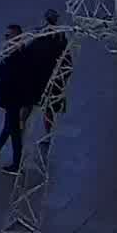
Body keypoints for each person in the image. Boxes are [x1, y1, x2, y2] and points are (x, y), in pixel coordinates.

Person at [0, 23, 34, 175]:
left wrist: (25, 104)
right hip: (11, 100)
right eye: (5, 35)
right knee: (9, 126)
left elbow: (23, 81)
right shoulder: (12, 51)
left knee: (14, 131)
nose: (5, 38)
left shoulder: (21, 54)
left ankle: (17, 164)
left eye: (9, 35)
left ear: (17, 36)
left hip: (15, 100)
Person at [31, 8, 72, 144]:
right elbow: (67, 61)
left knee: (43, 107)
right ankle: (47, 134)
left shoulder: (49, 37)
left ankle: (44, 133)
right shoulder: (60, 38)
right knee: (48, 108)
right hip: (52, 78)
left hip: (44, 77)